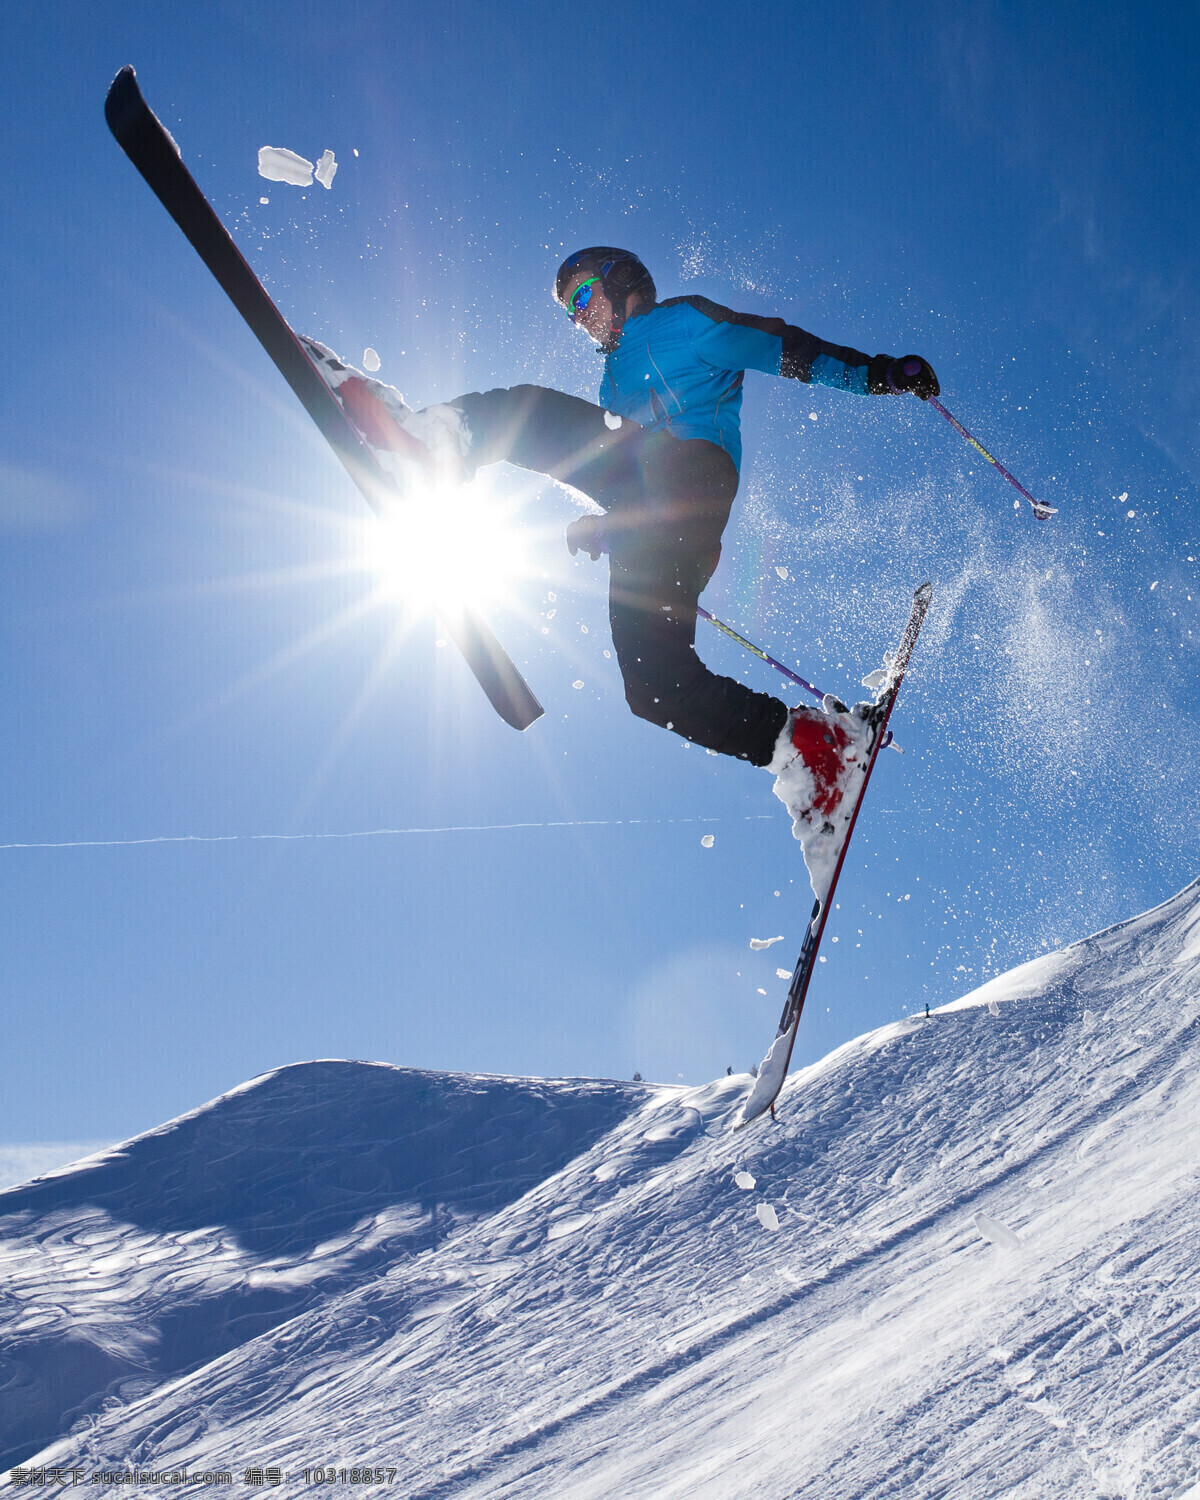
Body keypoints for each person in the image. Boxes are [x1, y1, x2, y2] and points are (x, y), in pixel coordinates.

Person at [325, 247, 938, 839]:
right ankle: (816, 752)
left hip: (693, 479)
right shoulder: (609, 387)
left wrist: (878, 373)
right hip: (664, 528)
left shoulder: (682, 322)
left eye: (585, 294)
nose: (581, 316)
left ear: (624, 283)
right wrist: (605, 526)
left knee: (527, 412)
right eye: (571, 310)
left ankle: (437, 439)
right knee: (654, 688)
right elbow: (616, 478)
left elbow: (782, 346)